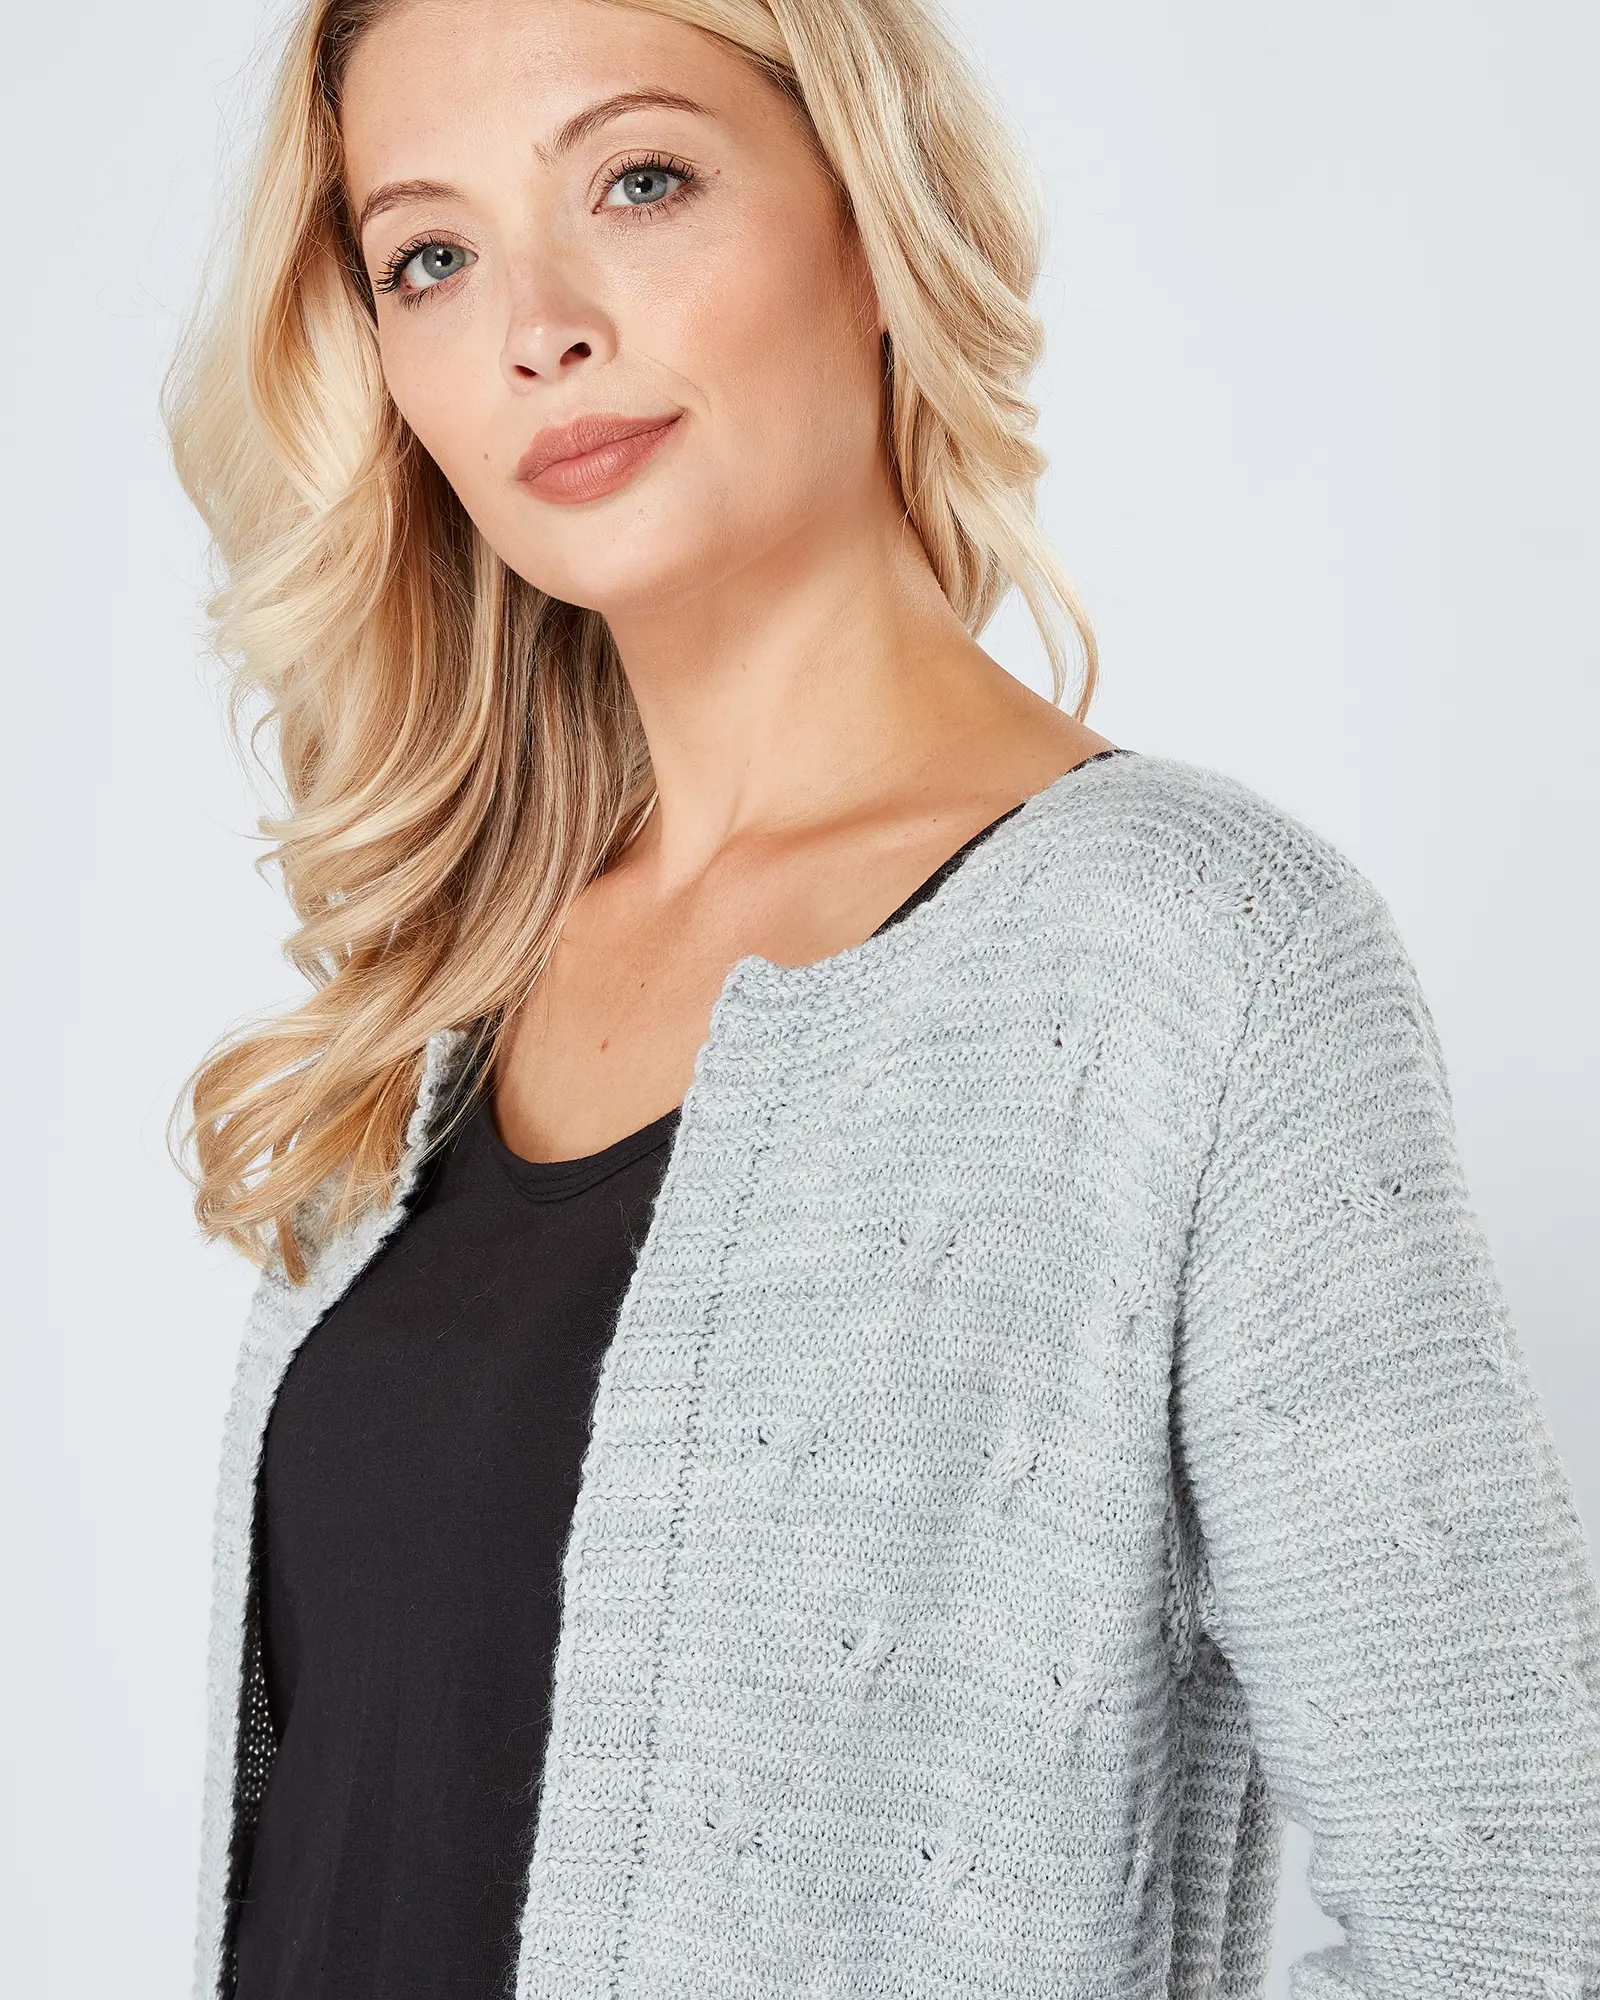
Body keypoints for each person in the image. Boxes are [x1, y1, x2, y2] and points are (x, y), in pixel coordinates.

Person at [165, 0, 1600, 1995]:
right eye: (429, 255)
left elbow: (1513, 1913)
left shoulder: (1203, 966)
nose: (535, 327)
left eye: (639, 180)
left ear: (870, 213)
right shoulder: (427, 998)